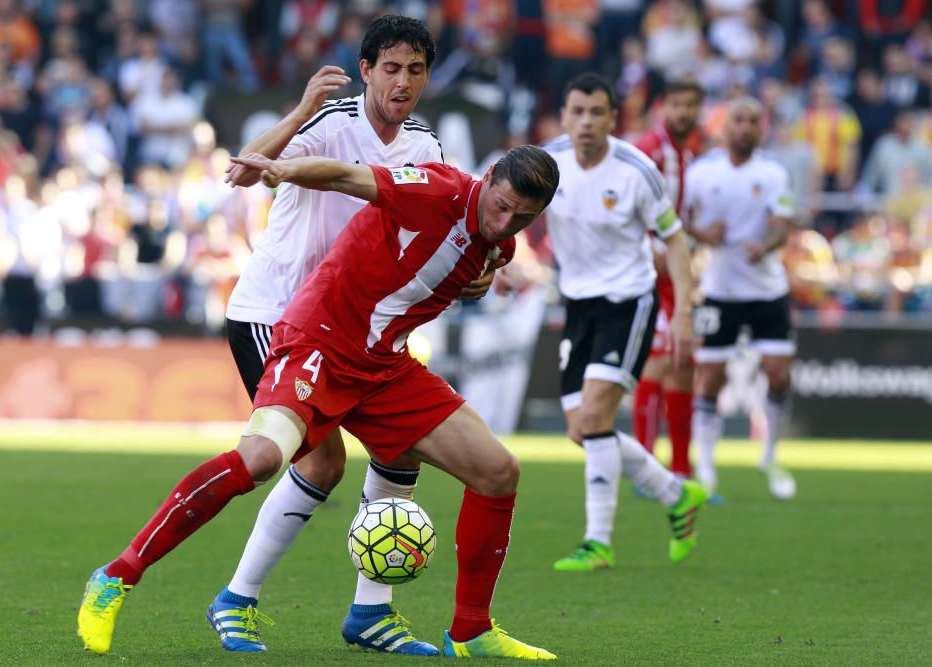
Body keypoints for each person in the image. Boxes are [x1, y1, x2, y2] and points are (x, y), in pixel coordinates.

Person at [76, 145, 561, 660]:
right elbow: (344, 176)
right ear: (488, 179)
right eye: (501, 205)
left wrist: (478, 281)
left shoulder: (499, 244)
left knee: (498, 471)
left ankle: (470, 630)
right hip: (320, 342)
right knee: (261, 458)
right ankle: (116, 576)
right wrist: (283, 170)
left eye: (522, 216)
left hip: (384, 367)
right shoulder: (438, 190)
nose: (505, 221)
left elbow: (459, 267)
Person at [214, 16, 503, 656]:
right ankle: (237, 599)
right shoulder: (330, 122)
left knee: (401, 450)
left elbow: (437, 238)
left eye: (416, 70)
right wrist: (301, 108)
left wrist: (472, 276)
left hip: (358, 328)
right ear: (367, 70)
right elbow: (246, 169)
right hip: (277, 314)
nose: (403, 82)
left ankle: (371, 612)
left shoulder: (425, 146)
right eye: (391, 68)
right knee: (321, 461)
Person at [543, 73, 707, 572]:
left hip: (628, 301)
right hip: (577, 306)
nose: (587, 122)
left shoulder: (636, 170)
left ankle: (598, 542)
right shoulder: (546, 162)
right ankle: (677, 492)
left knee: (594, 420)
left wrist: (682, 312)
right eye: (578, 112)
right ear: (564, 117)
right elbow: (503, 209)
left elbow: (675, 241)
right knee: (581, 430)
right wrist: (498, 266)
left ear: (614, 119)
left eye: (597, 112)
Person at [685, 96, 797, 501]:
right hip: (719, 290)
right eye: (738, 120)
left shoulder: (772, 172)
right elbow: (679, 220)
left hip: (767, 289)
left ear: (761, 127)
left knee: (778, 372)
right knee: (710, 378)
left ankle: (769, 455)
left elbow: (783, 225)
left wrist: (764, 247)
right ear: (724, 125)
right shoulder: (702, 172)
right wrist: (702, 235)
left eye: (753, 120)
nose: (745, 127)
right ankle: (707, 466)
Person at [632, 79, 705, 480]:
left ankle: (680, 467)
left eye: (690, 105)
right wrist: (651, 249)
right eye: (676, 104)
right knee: (659, 362)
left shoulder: (684, 153)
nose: (683, 112)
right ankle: (646, 466)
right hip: (651, 271)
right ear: (662, 107)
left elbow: (674, 215)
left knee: (682, 362)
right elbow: (629, 203)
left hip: (673, 270)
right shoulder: (651, 150)